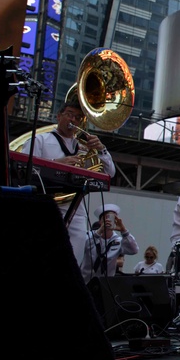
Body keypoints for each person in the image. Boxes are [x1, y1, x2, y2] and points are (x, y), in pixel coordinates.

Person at [19, 100, 116, 266]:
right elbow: (23, 170)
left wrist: (102, 150)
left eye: (78, 117)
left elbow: (110, 173)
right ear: (58, 116)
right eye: (70, 114)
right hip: (47, 205)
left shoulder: (85, 147)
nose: (74, 120)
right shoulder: (40, 140)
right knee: (43, 257)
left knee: (73, 260)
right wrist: (57, 163)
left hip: (76, 207)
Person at [80, 203, 139, 283]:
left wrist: (124, 231)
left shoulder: (117, 240)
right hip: (85, 281)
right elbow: (84, 246)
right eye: (106, 218)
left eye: (112, 219)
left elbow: (134, 250)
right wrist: (99, 231)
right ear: (100, 221)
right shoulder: (90, 235)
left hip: (106, 284)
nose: (109, 221)